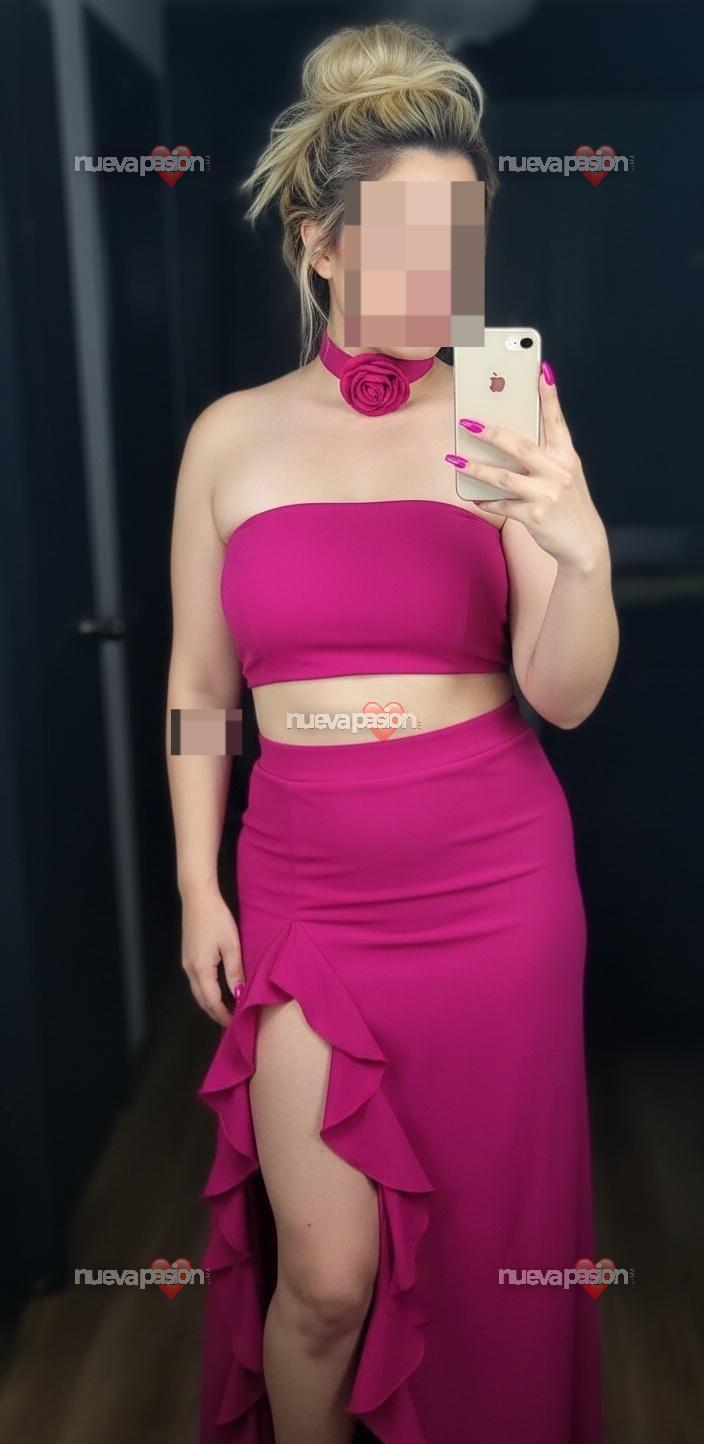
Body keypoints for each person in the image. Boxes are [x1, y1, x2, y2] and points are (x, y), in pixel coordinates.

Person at [166, 20, 618, 1444]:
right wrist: (196, 887)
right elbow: (199, 689)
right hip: (305, 889)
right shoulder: (228, 437)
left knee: (493, 1262)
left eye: (464, 242)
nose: (447, 276)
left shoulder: (506, 405)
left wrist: (580, 550)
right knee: (323, 1280)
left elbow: (564, 693)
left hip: (495, 882)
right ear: (322, 246)